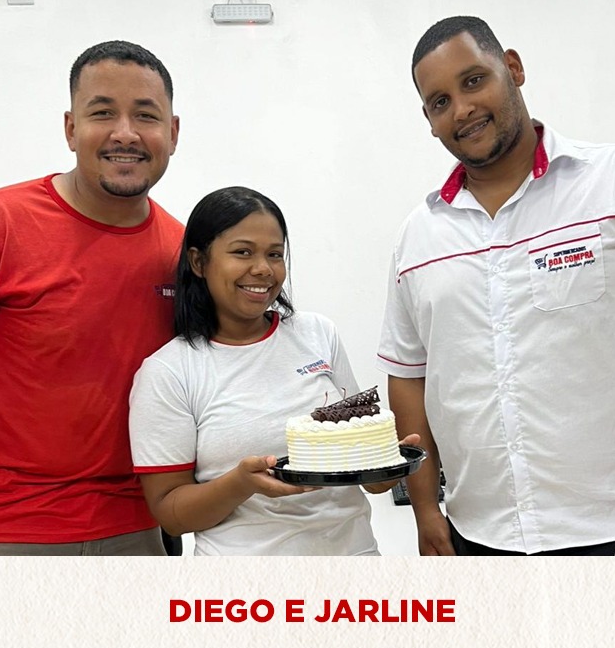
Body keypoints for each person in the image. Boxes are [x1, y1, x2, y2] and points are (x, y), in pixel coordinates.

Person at [378, 15, 615, 557]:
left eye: (474, 81)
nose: (462, 109)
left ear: (513, 68)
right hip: (478, 536)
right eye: (440, 102)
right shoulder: (418, 236)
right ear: (429, 121)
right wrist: (426, 510)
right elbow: (409, 377)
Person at [0, 40, 183, 555]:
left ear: (173, 133)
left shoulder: (181, 252)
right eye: (102, 112)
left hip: (134, 529)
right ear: (70, 128)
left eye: (146, 115)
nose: (125, 133)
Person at [130, 187, 412, 556]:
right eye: (243, 252)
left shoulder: (318, 334)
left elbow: (365, 474)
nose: (263, 269)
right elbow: (172, 516)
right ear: (198, 262)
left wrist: (387, 463)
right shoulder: (169, 372)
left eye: (275, 254)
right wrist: (241, 484)